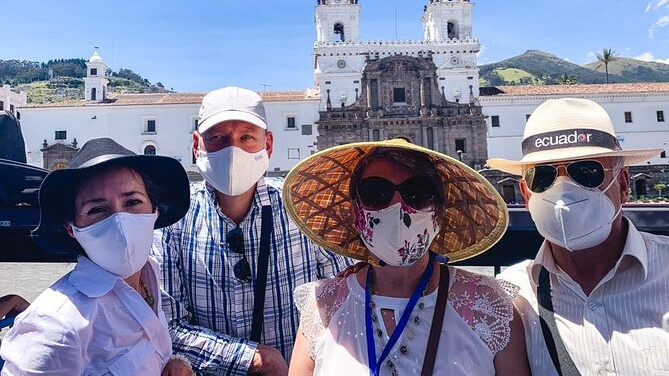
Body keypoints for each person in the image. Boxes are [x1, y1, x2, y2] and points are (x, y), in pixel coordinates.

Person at [285, 139, 531, 375]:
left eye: (417, 193)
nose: (397, 206)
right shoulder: (322, 307)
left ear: (439, 212)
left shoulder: (489, 306)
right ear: (355, 211)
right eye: (375, 193)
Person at [152, 86, 351, 375]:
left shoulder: (306, 211)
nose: (233, 150)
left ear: (267, 144)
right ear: (196, 145)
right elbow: (167, 327)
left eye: (246, 137)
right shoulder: (173, 221)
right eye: (217, 138)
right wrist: (254, 358)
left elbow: (347, 302)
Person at [489, 98, 669, 375]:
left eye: (586, 172)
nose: (563, 192)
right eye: (543, 177)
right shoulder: (507, 299)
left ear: (622, 184)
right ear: (526, 195)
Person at [0, 138, 194, 376]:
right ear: (72, 227)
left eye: (133, 202)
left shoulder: (149, 275)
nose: (119, 220)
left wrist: (172, 362)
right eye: (96, 210)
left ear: (155, 210)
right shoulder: (54, 326)